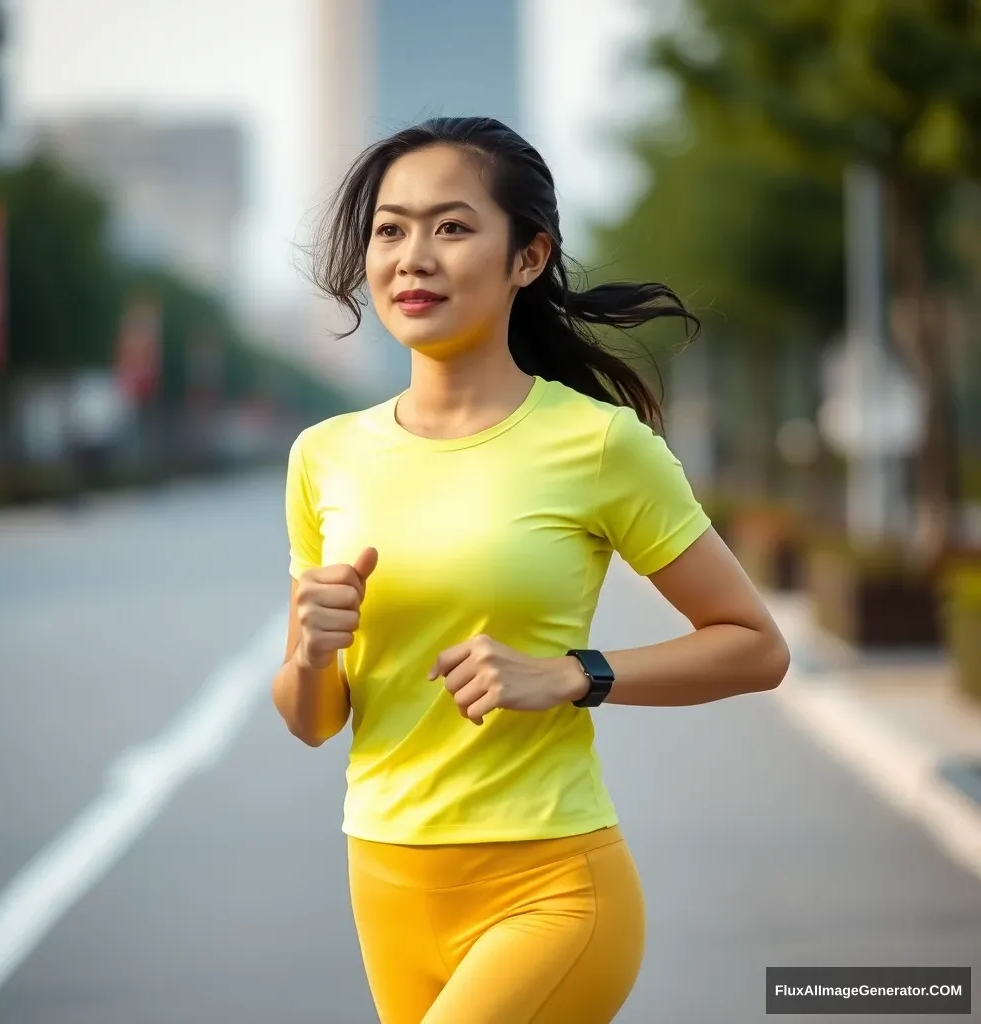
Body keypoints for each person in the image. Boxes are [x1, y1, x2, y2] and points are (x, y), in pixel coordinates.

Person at [272, 116, 791, 1024]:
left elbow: (755, 647)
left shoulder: (597, 444)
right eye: (390, 229)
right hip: (385, 879)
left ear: (527, 257)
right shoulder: (326, 456)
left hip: (550, 886)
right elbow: (315, 721)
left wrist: (570, 675)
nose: (412, 257)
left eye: (453, 226)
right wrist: (312, 656)